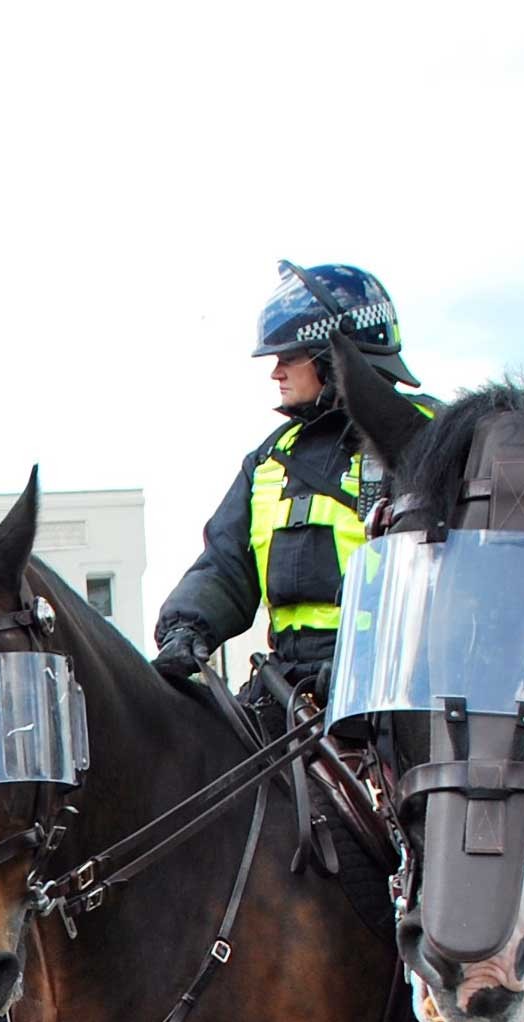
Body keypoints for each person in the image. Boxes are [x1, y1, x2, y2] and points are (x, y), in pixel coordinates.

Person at [155, 263, 430, 708]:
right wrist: (187, 626)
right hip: (286, 694)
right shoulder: (267, 460)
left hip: (396, 697)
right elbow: (225, 565)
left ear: (332, 356)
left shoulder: (429, 440)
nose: (275, 372)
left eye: (289, 357)